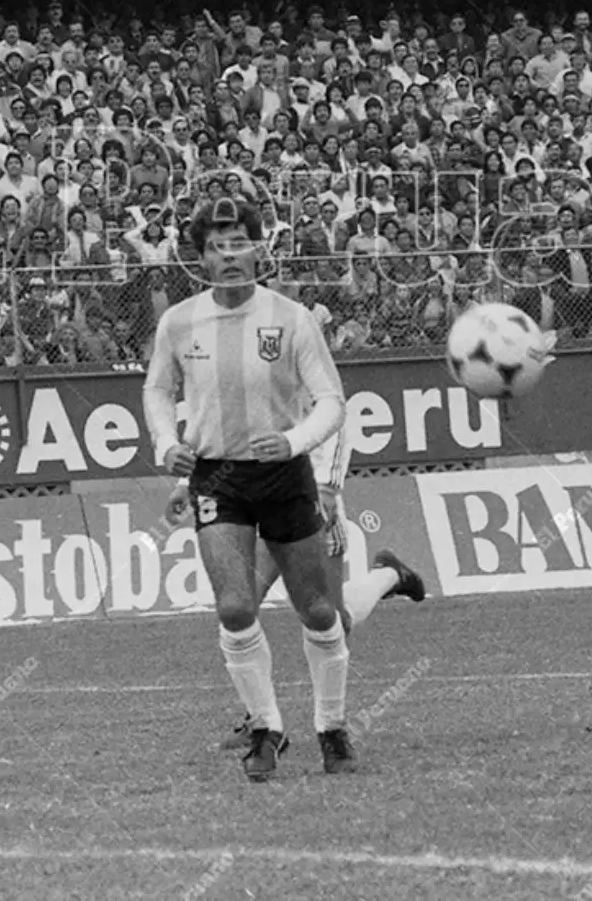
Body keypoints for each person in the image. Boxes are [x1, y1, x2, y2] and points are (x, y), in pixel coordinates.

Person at [142, 196, 353, 782]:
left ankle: (332, 727)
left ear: (260, 249)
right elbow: (157, 391)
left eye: (240, 244)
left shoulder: (291, 318)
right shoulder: (178, 322)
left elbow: (331, 400)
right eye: (217, 246)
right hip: (218, 476)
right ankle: (266, 728)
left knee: (317, 607)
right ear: (201, 259)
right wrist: (167, 445)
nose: (230, 256)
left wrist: (294, 442)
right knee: (234, 606)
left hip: (284, 475)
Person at [172, 406, 428, 751]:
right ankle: (261, 722)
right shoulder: (232, 371)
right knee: (239, 606)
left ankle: (390, 575)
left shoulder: (300, 360)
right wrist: (187, 481)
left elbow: (335, 412)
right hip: (245, 503)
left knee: (333, 619)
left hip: (303, 502)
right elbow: (215, 422)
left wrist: (325, 489)